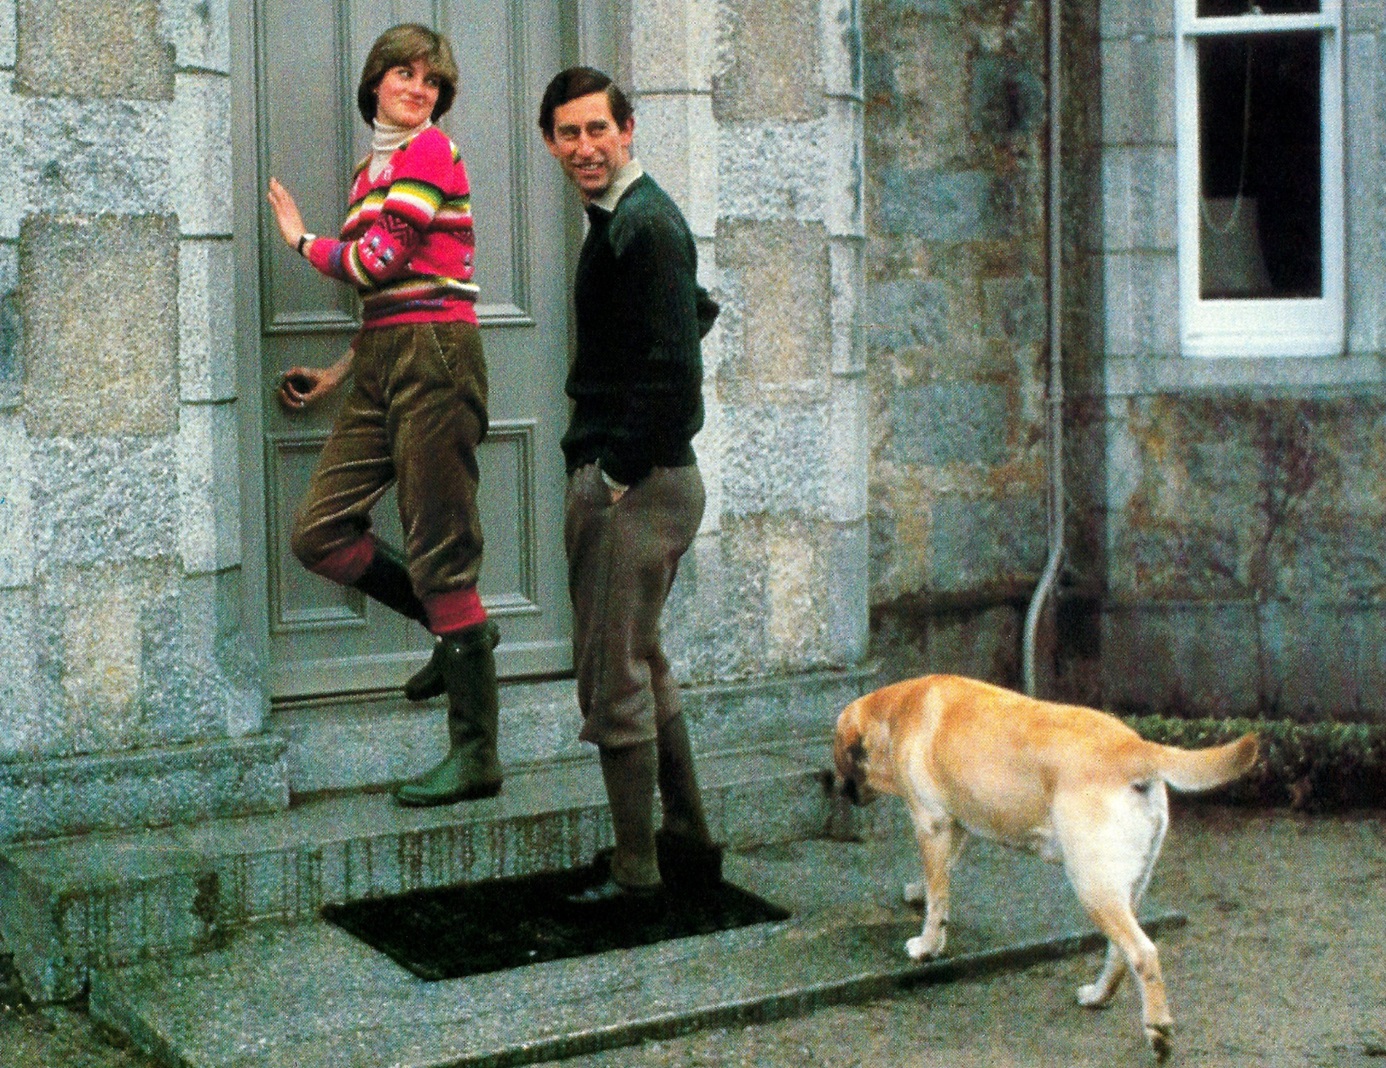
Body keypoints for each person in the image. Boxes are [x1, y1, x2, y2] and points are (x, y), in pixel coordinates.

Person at [266, 24, 501, 808]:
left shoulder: (431, 153)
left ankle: (476, 756)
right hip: (385, 358)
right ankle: (453, 629)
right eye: (404, 74)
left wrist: (300, 241)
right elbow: (379, 301)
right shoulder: (373, 169)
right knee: (319, 532)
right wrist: (338, 374)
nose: (418, 89)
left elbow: (375, 263)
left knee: (442, 545)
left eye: (431, 81)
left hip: (438, 356)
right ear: (375, 82)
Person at [538, 67, 724, 906]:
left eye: (597, 130)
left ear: (628, 129)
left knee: (613, 678)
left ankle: (637, 871)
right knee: (641, 661)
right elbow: (696, 310)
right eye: (568, 133)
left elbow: (678, 380)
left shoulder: (643, 225)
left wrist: (612, 471)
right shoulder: (628, 220)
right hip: (653, 480)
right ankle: (686, 841)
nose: (584, 147)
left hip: (639, 484)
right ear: (550, 140)